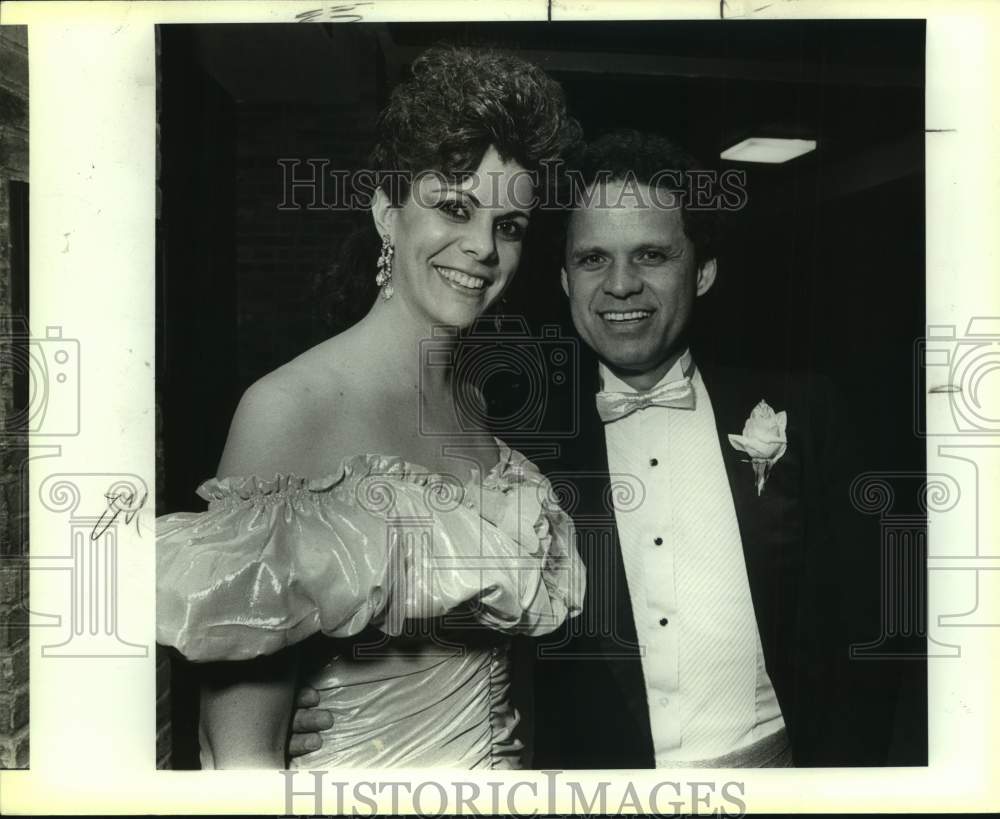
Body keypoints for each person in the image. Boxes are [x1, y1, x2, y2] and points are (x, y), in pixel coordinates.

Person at [290, 129, 893, 768]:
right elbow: (419, 606)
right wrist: (311, 703)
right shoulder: (510, 446)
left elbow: (865, 636)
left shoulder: (808, 412)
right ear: (564, 278)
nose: (621, 285)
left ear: (704, 270)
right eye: (593, 259)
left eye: (652, 256)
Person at [156, 45, 585, 770]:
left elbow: (507, 692)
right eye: (454, 207)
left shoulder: (475, 406)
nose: (482, 246)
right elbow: (238, 754)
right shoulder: (289, 408)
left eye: (509, 225)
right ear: (388, 212)